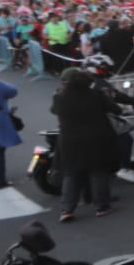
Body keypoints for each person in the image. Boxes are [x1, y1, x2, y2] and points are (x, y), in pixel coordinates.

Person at [50, 68, 120, 220]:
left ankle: (67, 210)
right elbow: (116, 109)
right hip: (96, 138)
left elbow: (54, 111)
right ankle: (102, 206)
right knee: (98, 171)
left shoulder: (59, 97)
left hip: (69, 140)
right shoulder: (95, 95)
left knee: (71, 173)